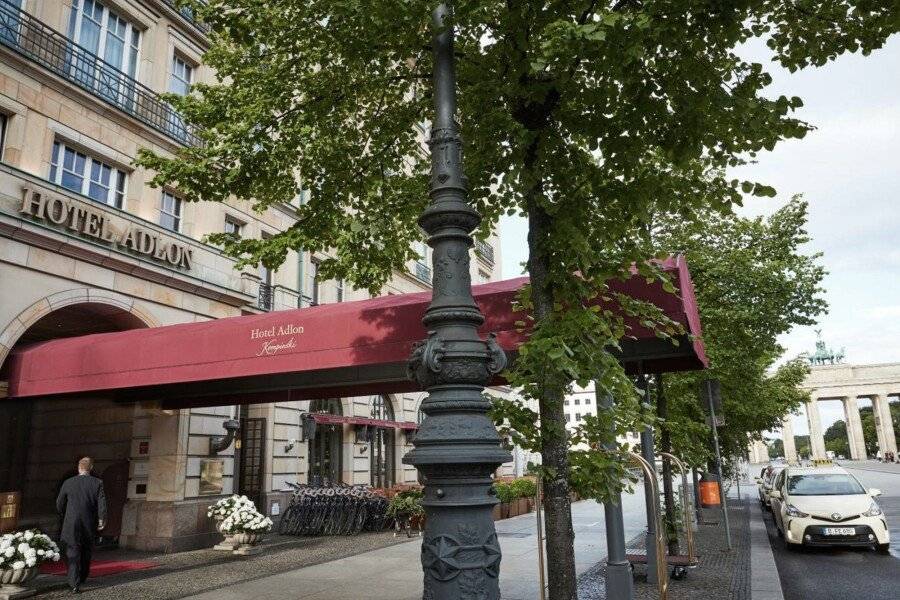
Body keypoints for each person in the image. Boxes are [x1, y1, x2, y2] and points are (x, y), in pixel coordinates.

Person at [56, 457, 106, 594]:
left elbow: (59, 503)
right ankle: (83, 576)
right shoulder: (97, 483)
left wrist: (64, 515)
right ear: (91, 468)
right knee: (86, 550)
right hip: (88, 522)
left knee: (72, 551)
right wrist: (101, 520)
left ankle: (73, 583)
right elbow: (102, 504)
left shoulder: (68, 482)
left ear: (79, 467)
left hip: (71, 523)